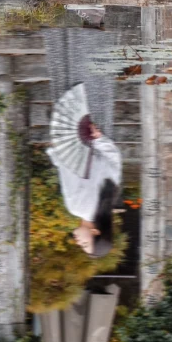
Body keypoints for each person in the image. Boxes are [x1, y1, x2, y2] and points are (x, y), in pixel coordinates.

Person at [47, 82, 122, 257]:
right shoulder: (77, 207)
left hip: (94, 121)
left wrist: (98, 138)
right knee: (65, 80)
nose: (78, 242)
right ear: (96, 232)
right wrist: (54, 149)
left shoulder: (110, 196)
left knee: (90, 79)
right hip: (72, 130)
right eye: (85, 244)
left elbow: (114, 159)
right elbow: (68, 167)